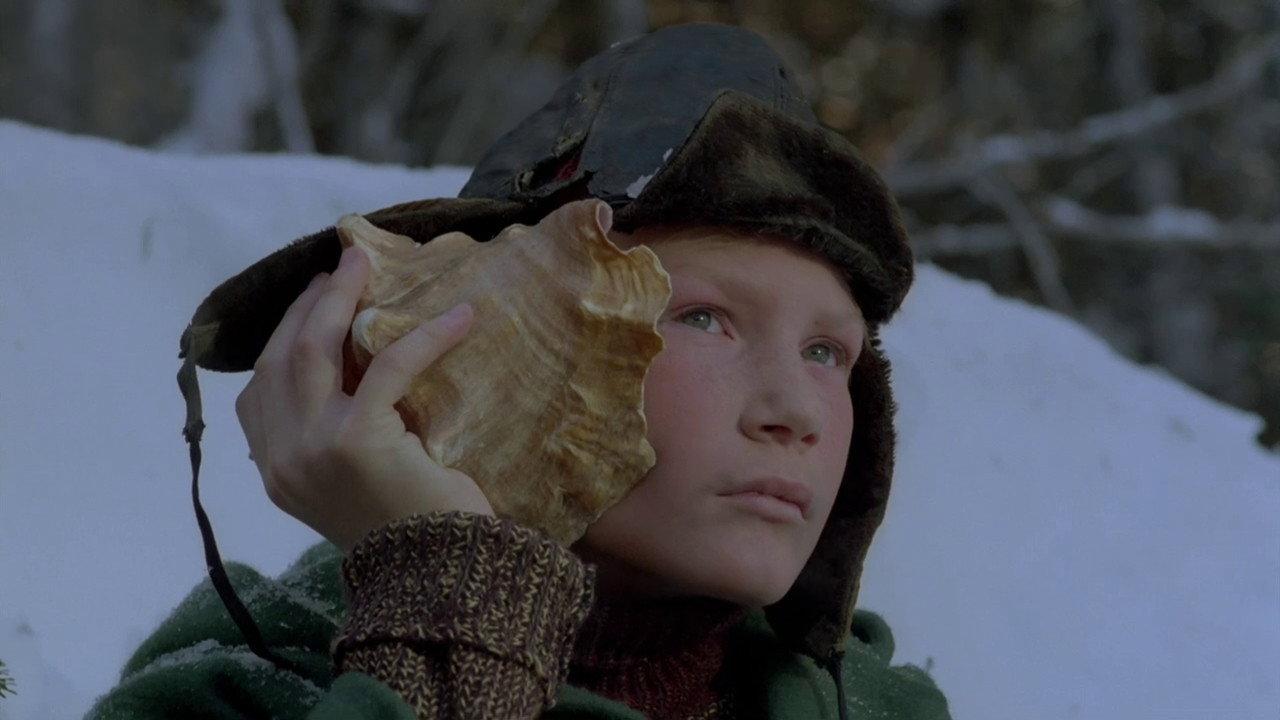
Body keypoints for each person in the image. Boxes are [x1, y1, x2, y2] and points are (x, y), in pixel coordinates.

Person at [84, 21, 952, 720]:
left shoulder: (882, 708)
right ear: (504, 339)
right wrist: (450, 606)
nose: (798, 410)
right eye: (703, 318)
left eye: (826, 352)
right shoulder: (244, 685)